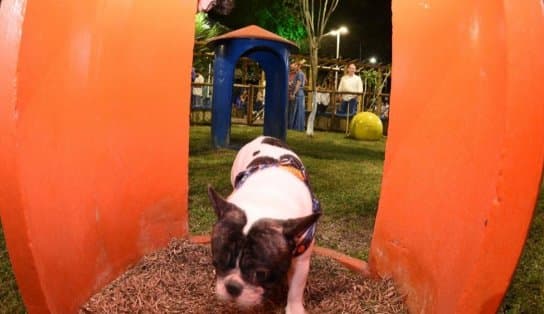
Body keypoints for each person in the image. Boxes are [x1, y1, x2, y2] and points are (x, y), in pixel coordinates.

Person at [288, 61, 306, 131]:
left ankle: (296, 127)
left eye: (295, 65)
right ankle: (297, 127)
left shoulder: (300, 74)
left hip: (298, 93)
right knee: (297, 110)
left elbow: (298, 84)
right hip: (299, 93)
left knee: (296, 110)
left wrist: (293, 93)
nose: (293, 67)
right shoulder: (300, 74)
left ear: (298, 66)